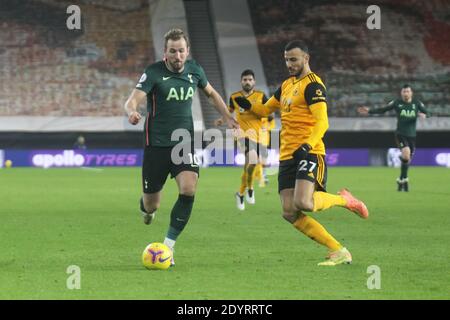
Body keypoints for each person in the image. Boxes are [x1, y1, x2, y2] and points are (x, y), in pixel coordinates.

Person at [234, 40, 369, 266]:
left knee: (304, 202)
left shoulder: (313, 86)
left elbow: (322, 122)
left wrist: (306, 145)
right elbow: (266, 109)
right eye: (287, 59)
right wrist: (249, 107)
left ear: (306, 58)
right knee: (289, 212)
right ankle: (338, 250)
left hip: (310, 151)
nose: (289, 64)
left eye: (294, 59)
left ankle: (344, 200)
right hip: (287, 155)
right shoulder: (286, 85)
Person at [124, 28, 238, 266]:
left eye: (181, 51)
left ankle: (168, 247)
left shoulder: (195, 70)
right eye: (173, 51)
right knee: (150, 203)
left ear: (187, 51)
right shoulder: (154, 72)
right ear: (165, 53)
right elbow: (133, 99)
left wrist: (227, 117)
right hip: (156, 144)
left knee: (188, 188)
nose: (178, 56)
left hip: (183, 143)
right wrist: (132, 111)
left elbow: (212, 94)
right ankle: (146, 209)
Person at [215, 69, 271, 210]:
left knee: (250, 165)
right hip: (241, 134)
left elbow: (267, 113)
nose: (247, 82)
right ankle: (250, 189)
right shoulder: (234, 97)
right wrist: (222, 120)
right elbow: (229, 112)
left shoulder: (261, 96)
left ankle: (241, 193)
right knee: (252, 160)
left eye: (250, 79)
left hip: (257, 135)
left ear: (254, 81)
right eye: (245, 79)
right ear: (241, 81)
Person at [357, 85, 430, 191]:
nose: (406, 93)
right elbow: (383, 110)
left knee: (407, 159)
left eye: (408, 91)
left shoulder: (417, 103)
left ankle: (402, 179)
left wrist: (425, 115)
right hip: (400, 134)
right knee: (406, 154)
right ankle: (403, 177)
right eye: (404, 91)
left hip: (412, 136)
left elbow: (428, 112)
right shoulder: (397, 103)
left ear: (411, 93)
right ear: (401, 93)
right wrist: (369, 111)